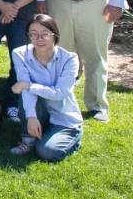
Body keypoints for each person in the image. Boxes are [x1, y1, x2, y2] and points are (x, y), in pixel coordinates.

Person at [9, 14, 83, 161]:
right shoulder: (19, 54)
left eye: (45, 34)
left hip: (63, 116)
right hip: (39, 110)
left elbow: (60, 93)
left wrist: (30, 86)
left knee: (47, 152)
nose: (39, 39)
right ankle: (28, 140)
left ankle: (74, 139)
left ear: (54, 35)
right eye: (33, 34)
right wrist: (30, 116)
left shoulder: (70, 59)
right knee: (26, 92)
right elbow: (25, 89)